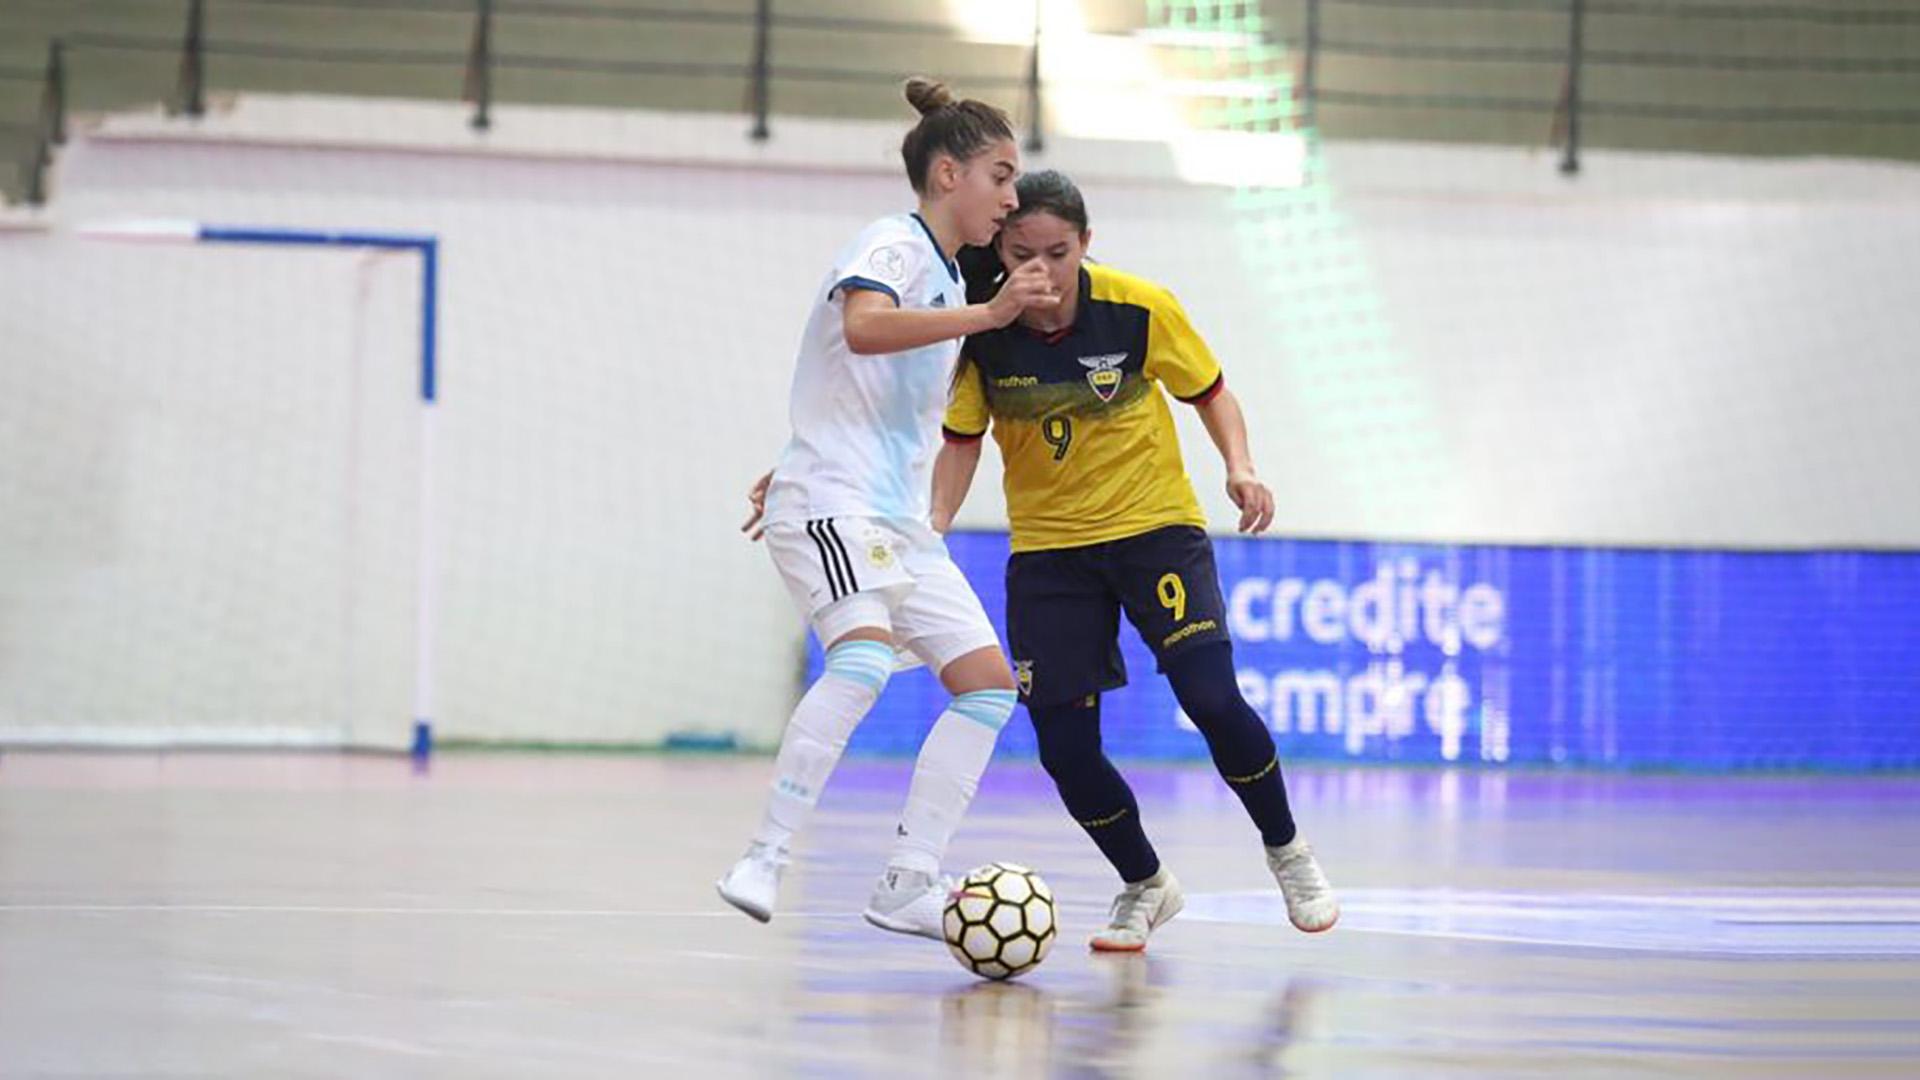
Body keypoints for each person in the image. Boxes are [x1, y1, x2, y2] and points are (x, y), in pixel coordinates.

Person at [933, 170, 1338, 951]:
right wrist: (936, 524)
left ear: (1087, 244)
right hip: (1051, 555)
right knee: (1065, 749)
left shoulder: (1141, 307)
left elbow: (1211, 391)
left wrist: (1241, 466)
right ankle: (1145, 883)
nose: (1041, 272)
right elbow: (961, 440)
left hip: (1155, 533)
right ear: (1001, 249)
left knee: (1212, 698)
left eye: (1058, 252)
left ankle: (1288, 849)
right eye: (1023, 255)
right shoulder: (982, 330)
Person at [719, 78, 1060, 940]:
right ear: (948, 175)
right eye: (1000, 175)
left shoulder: (946, 275)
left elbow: (858, 385)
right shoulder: (895, 245)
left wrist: (802, 443)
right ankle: (765, 853)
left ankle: (909, 880)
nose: (1012, 197)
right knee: (862, 664)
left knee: (987, 689)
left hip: (894, 520)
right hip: (838, 507)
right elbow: (865, 327)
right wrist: (989, 314)